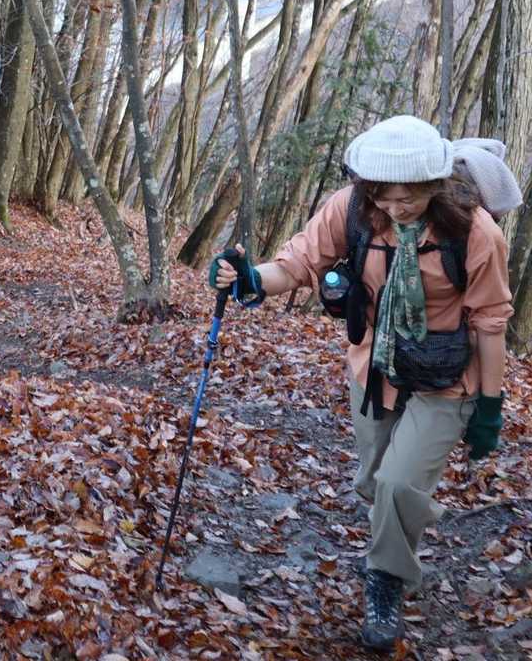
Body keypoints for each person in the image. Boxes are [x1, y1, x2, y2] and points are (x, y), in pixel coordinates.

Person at [210, 115, 512, 653]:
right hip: (375, 367)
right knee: (375, 482)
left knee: (397, 483)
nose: (395, 208)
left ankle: (385, 581)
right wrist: (250, 278)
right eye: (383, 196)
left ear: (433, 185)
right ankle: (392, 538)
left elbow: (491, 323)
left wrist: (490, 406)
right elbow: (297, 265)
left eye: (408, 197)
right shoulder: (351, 208)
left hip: (447, 378)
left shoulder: (475, 233)